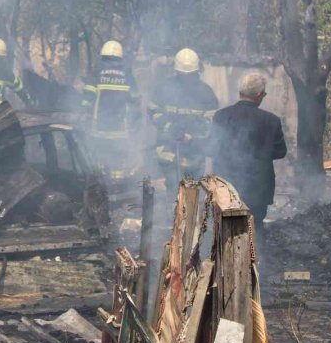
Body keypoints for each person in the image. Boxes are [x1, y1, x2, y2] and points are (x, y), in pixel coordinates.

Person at [210, 73, 287, 247]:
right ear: (259, 95)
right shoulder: (271, 120)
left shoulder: (221, 116)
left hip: (226, 187)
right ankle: (255, 267)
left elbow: (212, 148)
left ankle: (224, 268)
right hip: (258, 190)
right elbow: (280, 152)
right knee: (254, 230)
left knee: (225, 230)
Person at [147, 48, 218, 192]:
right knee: (174, 189)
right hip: (168, 150)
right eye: (183, 77)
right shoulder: (164, 88)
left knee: (190, 190)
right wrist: (170, 128)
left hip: (194, 152)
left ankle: (184, 213)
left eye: (189, 76)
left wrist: (192, 136)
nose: (186, 80)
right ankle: (175, 213)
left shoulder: (206, 93)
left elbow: (210, 123)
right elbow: (153, 112)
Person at [81, 40, 140, 178]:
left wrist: (83, 115)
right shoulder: (127, 74)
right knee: (118, 160)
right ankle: (119, 185)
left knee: (100, 159)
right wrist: (134, 123)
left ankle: (102, 186)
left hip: (99, 128)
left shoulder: (97, 71)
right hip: (120, 129)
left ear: (103, 55)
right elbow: (135, 100)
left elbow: (87, 99)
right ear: (120, 57)